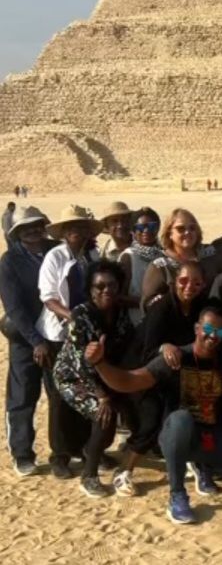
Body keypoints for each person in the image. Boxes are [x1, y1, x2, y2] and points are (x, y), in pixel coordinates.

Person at [86, 302, 222, 524]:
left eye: (219, 332)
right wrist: (100, 363)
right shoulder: (175, 358)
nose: (213, 337)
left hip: (211, 438)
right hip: (177, 434)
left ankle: (203, 466)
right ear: (197, 329)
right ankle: (177, 495)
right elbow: (129, 381)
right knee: (181, 419)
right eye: (208, 330)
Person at [53, 260, 136, 497]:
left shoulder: (121, 314)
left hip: (106, 373)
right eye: (99, 287)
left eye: (111, 285)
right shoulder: (81, 315)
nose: (106, 290)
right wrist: (103, 396)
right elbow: (80, 362)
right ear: (90, 290)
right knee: (104, 415)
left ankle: (94, 451)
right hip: (73, 377)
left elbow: (127, 347)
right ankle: (88, 475)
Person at [36, 205, 102, 478]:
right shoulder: (55, 257)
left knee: (86, 390)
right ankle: (60, 455)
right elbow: (49, 297)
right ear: (64, 232)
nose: (79, 232)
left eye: (82, 227)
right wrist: (73, 316)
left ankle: (86, 447)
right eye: (73, 228)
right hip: (58, 335)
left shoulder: (90, 257)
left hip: (83, 334)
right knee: (59, 397)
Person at [0, 206, 56, 476]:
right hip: (26, 340)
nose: (34, 231)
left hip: (56, 336)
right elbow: (14, 308)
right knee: (23, 396)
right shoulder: (10, 261)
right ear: (18, 231)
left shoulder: (55, 250)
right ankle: (22, 453)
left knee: (60, 396)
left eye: (37, 225)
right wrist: (36, 341)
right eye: (27, 227)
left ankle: (65, 450)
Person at [140, 209, 216, 310]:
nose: (187, 232)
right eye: (180, 229)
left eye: (192, 228)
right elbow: (147, 303)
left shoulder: (210, 255)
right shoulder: (160, 266)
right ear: (169, 233)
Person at [141, 260, 208, 363]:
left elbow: (214, 331)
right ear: (176, 281)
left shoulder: (204, 307)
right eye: (183, 281)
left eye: (197, 283)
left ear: (203, 285)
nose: (189, 286)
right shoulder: (161, 308)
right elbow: (148, 351)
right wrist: (164, 347)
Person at [118, 207, 162, 326]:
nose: (146, 231)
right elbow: (118, 297)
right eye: (140, 227)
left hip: (161, 319)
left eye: (151, 226)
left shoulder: (164, 254)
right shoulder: (128, 257)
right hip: (136, 323)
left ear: (157, 228)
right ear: (133, 231)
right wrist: (146, 303)